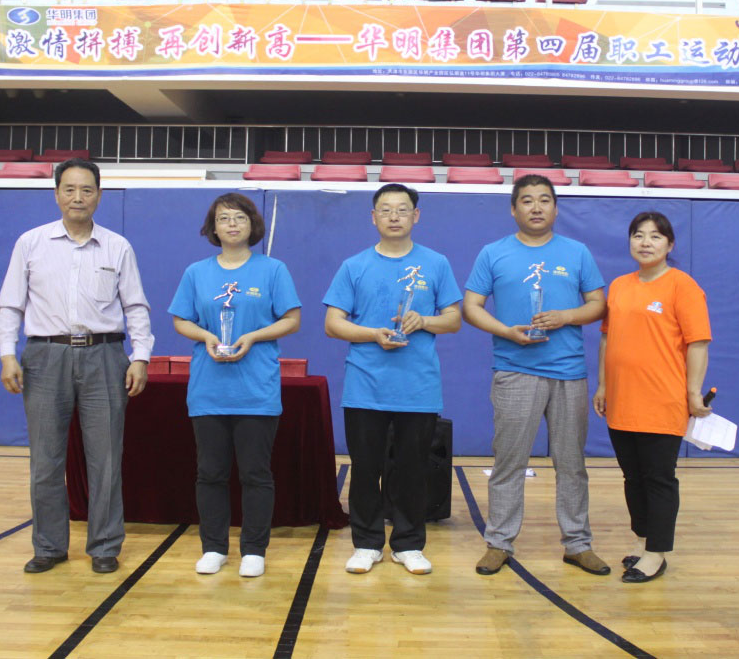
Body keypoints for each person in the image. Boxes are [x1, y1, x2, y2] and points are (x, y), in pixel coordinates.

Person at [0, 159, 153, 575]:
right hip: (45, 356)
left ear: (99, 195)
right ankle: (49, 546)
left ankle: (104, 546)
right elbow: (10, 303)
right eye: (69, 189)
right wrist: (7, 353)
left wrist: (140, 356)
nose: (77, 197)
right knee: (45, 459)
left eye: (86, 190)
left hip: (105, 356)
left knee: (106, 457)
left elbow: (135, 306)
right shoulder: (31, 243)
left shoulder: (117, 246)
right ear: (56, 195)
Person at [463, 174, 609, 576]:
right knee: (508, 462)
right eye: (527, 200)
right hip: (514, 371)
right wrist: (505, 331)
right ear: (514, 209)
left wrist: (566, 316)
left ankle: (577, 544)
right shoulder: (493, 253)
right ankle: (499, 543)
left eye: (545, 200)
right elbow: (471, 307)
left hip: (568, 373)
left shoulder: (577, 252)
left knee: (571, 463)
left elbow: (598, 304)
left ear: (556, 209)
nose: (536, 207)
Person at [323, 184, 463, 575]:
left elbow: (454, 319)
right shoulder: (354, 266)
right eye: (385, 209)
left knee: (412, 470)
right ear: (373, 217)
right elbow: (333, 323)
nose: (394, 216)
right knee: (365, 468)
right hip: (364, 385)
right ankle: (366, 543)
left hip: (417, 387)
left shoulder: (436, 263)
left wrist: (424, 321)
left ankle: (408, 543)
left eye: (402, 209)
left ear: (416, 216)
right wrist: (373, 334)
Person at [169, 193, 301, 578]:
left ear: (252, 225)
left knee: (255, 473)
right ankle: (214, 547)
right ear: (213, 227)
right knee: (210, 472)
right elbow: (181, 320)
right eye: (224, 218)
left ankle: (254, 550)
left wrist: (254, 336)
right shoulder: (196, 272)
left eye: (239, 218)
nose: (232, 224)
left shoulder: (273, 270)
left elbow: (291, 319)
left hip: (256, 390)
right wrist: (207, 337)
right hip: (209, 390)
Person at [593, 211, 712, 583]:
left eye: (655, 236)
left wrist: (693, 393)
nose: (645, 242)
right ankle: (644, 541)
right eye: (638, 235)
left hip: (662, 400)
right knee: (633, 477)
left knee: (658, 478)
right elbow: (607, 339)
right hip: (622, 399)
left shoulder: (683, 286)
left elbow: (698, 343)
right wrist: (603, 385)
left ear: (669, 244)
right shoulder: (619, 286)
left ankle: (657, 553)